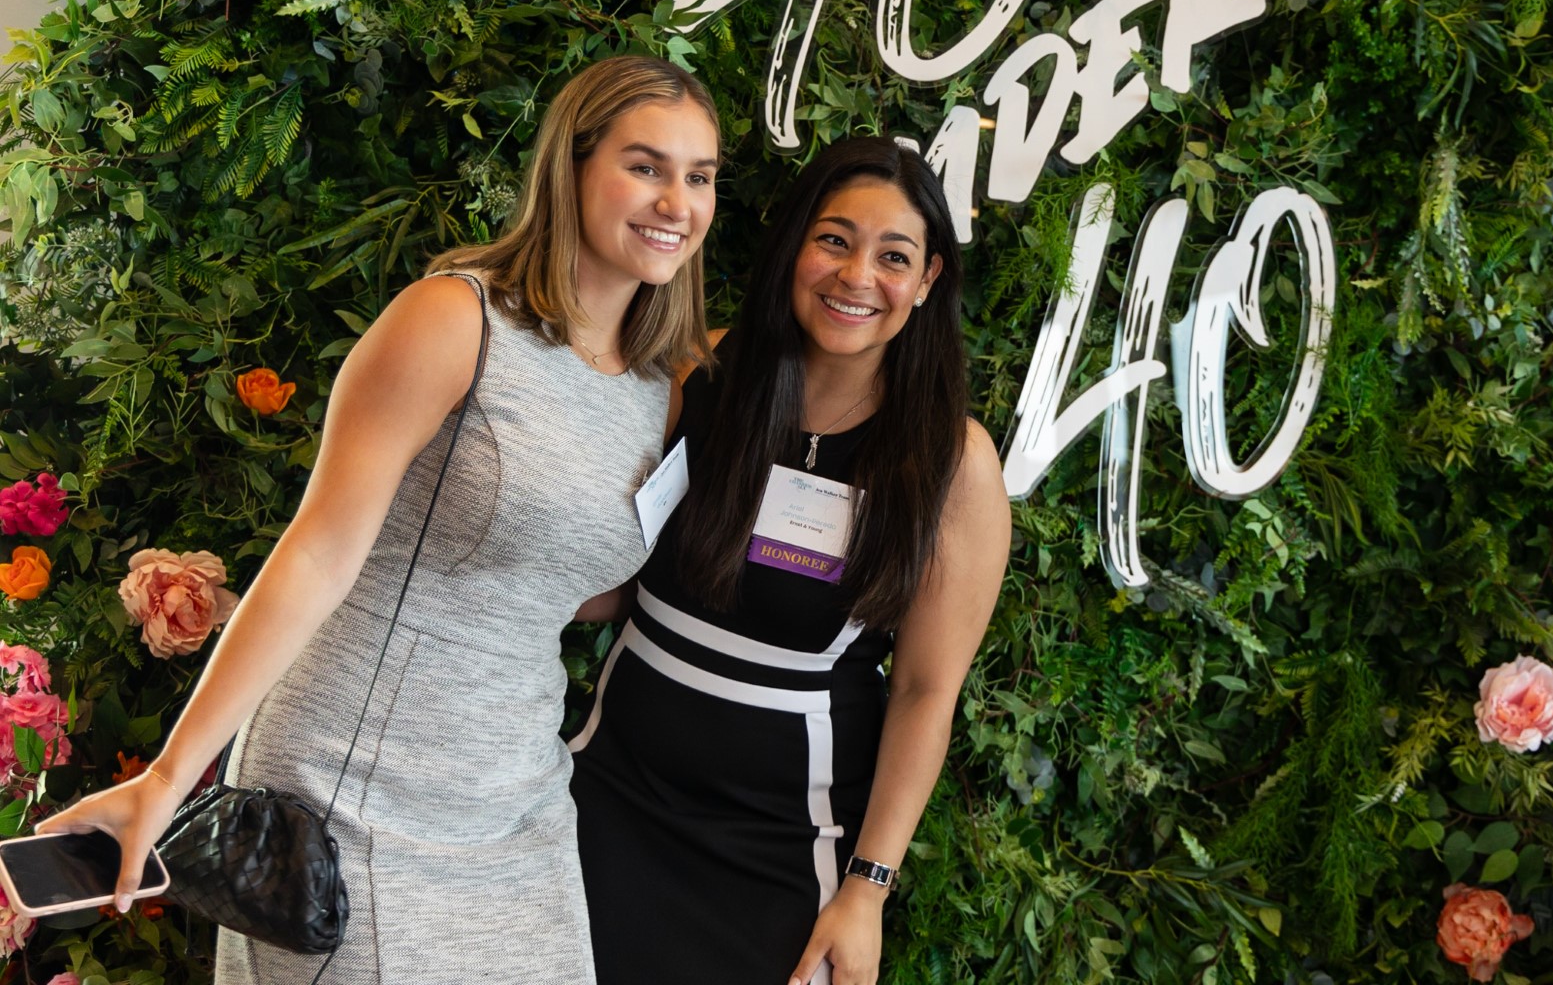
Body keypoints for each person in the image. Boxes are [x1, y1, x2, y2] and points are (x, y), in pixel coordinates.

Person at [39, 55, 722, 983]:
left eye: (699, 176)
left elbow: (577, 585)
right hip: (353, 786)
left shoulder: (661, 385)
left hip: (515, 801)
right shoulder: (456, 319)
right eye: (646, 166)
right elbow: (318, 550)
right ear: (572, 164)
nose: (675, 201)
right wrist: (172, 776)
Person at [570, 135, 1012, 985]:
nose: (856, 277)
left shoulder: (952, 462)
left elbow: (925, 691)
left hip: (778, 845)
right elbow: (608, 570)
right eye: (834, 240)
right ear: (793, 248)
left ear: (928, 283)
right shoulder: (697, 368)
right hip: (605, 790)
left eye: (893, 256)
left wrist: (868, 891)